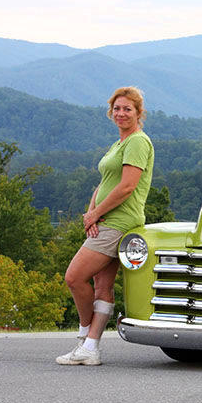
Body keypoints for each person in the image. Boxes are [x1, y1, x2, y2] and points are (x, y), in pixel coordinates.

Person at [57, 87, 154, 365]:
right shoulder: (119, 144)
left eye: (127, 109)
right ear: (110, 111)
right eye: (117, 108)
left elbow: (126, 187)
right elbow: (104, 183)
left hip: (119, 222)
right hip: (104, 219)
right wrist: (91, 213)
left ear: (138, 113)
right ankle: (90, 349)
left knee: (74, 277)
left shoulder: (138, 142)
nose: (121, 113)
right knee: (102, 285)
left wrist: (98, 213)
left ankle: (84, 335)